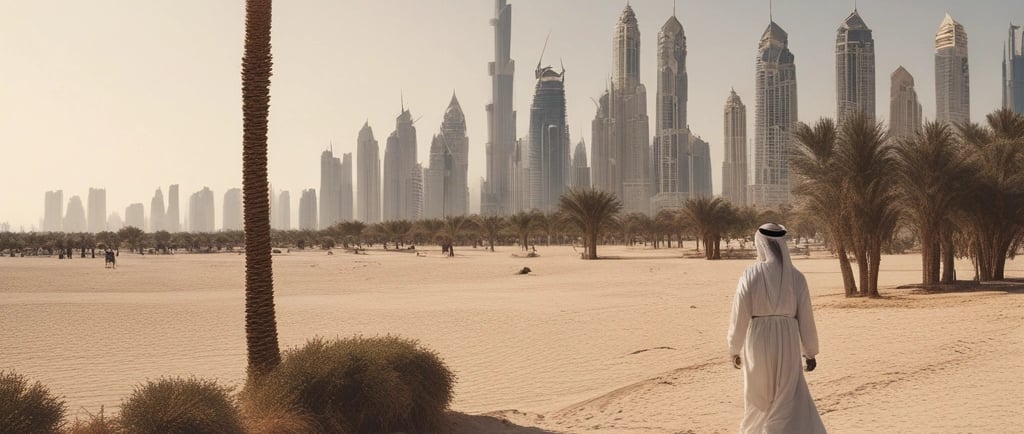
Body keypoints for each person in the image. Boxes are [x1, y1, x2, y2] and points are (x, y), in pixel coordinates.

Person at [727, 223, 826, 433]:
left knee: (758, 396)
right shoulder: (797, 277)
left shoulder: (750, 274)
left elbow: (740, 314)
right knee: (787, 396)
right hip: (788, 342)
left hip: (758, 341)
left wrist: (734, 348)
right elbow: (806, 318)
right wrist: (810, 352)